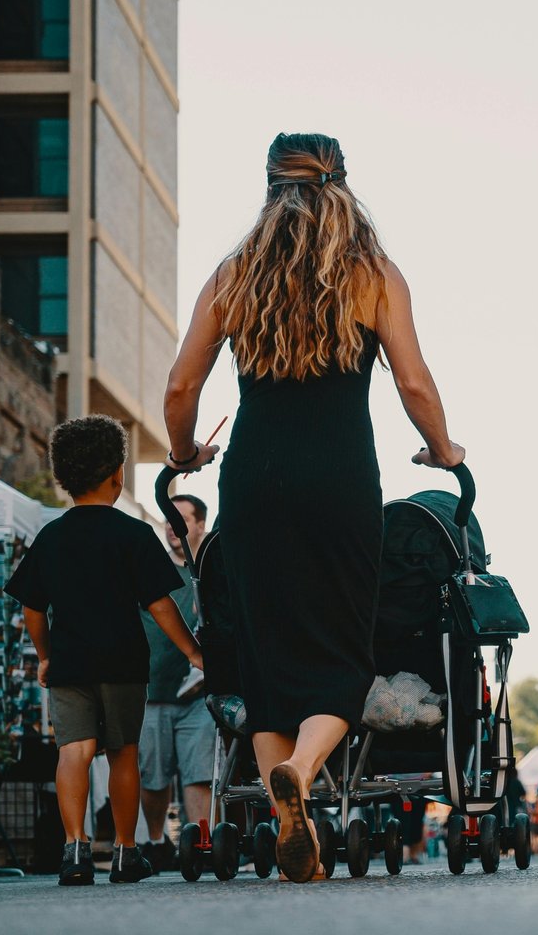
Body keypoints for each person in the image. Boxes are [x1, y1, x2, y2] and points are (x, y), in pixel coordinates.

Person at [163, 132, 463, 883]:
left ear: (270, 188)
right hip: (341, 479)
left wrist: (183, 453)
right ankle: (302, 767)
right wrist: (444, 449)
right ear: (344, 186)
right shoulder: (373, 274)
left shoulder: (235, 275)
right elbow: (415, 384)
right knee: (344, 647)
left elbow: (179, 387)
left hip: (256, 478)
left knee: (265, 653)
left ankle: (283, 810)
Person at [7, 415, 203, 886]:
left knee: (73, 751)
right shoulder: (134, 534)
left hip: (69, 663)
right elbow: (160, 605)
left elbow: (33, 608)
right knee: (123, 753)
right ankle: (124, 852)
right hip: (123, 664)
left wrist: (47, 655)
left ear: (62, 477)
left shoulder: (50, 536)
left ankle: (73, 852)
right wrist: (194, 653)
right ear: (118, 474)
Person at [138, 493, 217, 871]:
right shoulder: (152, 570)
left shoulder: (213, 571)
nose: (173, 526)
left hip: (200, 694)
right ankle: (156, 842)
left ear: (200, 524)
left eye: (181, 519)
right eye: (169, 519)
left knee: (198, 772)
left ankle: (200, 842)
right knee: (154, 777)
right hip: (153, 691)